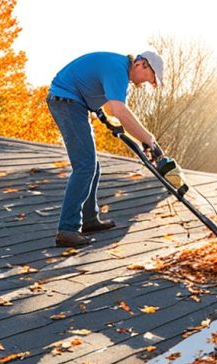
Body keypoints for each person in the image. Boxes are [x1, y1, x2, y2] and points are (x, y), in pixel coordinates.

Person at [47, 50, 165, 247]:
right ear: (141, 65)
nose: (146, 83)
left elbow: (112, 109)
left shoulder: (120, 70)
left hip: (74, 103)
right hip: (66, 102)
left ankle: (89, 219)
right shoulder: (117, 69)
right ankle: (67, 229)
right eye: (149, 78)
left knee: (93, 166)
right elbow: (121, 112)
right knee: (85, 166)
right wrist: (149, 139)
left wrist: (139, 138)